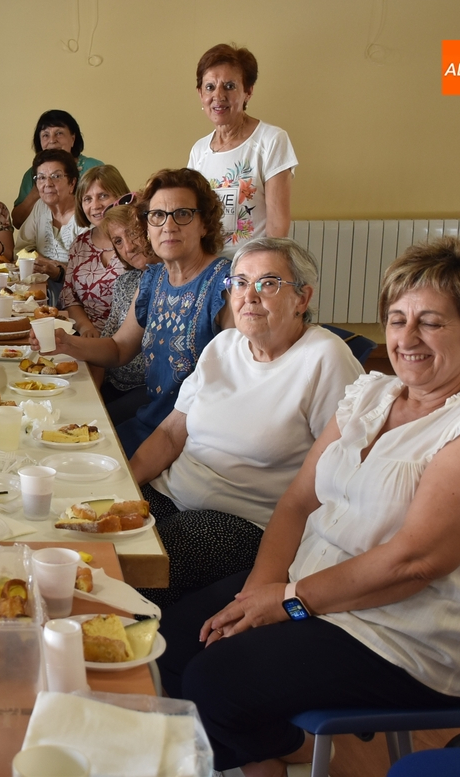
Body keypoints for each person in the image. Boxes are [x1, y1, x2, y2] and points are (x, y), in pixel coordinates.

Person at [158, 238, 460, 777]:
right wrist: (258, 593)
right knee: (175, 643)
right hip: (319, 588)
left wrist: (287, 602)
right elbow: (295, 503)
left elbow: (414, 562)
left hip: (409, 634)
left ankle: (259, 754)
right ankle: (272, 754)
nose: (407, 339)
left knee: (214, 680)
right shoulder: (372, 395)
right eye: (397, 319)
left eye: (430, 323)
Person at [129, 238, 363, 607]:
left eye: (268, 283)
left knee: (139, 567)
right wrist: (123, 488)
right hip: (170, 492)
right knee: (91, 537)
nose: (249, 296)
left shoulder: (324, 358)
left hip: (242, 521)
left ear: (302, 298)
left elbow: (343, 475)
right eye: (239, 282)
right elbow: (171, 434)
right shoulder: (224, 347)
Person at [36, 168, 232, 456]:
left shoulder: (227, 285)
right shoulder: (153, 279)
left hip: (199, 438)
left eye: (183, 214)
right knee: (54, 446)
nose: (169, 226)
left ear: (205, 224)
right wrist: (67, 343)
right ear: (147, 226)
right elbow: (119, 349)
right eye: (157, 216)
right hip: (153, 421)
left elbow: (240, 382)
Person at [188, 44, 297, 254]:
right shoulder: (199, 150)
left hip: (249, 271)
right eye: (210, 87)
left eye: (229, 86)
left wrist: (262, 275)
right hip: (207, 267)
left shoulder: (272, 140)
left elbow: (277, 228)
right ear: (200, 94)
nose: (218, 96)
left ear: (248, 91)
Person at [97, 202, 153, 423]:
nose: (128, 247)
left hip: (146, 390)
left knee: (101, 422)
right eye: (118, 241)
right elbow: (107, 342)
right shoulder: (125, 282)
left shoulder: (169, 280)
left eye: (133, 233)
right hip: (114, 382)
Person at [59, 165, 129, 336]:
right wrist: (85, 328)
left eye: (103, 196)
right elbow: (69, 296)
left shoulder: (135, 241)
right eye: (87, 199)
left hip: (128, 344)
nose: (95, 205)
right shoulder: (80, 244)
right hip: (86, 338)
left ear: (120, 197)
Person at [11, 109, 104, 228]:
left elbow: (115, 209)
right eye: (45, 135)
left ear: (73, 138)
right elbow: (18, 222)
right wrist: (37, 189)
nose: (52, 140)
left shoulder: (93, 167)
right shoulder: (32, 174)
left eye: (59, 133)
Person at [17, 149, 87, 304]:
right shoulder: (40, 207)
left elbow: (91, 273)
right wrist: (41, 260)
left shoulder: (85, 213)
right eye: (41, 178)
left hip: (81, 301)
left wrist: (59, 272)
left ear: (72, 183)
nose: (47, 184)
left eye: (56, 176)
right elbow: (21, 249)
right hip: (42, 293)